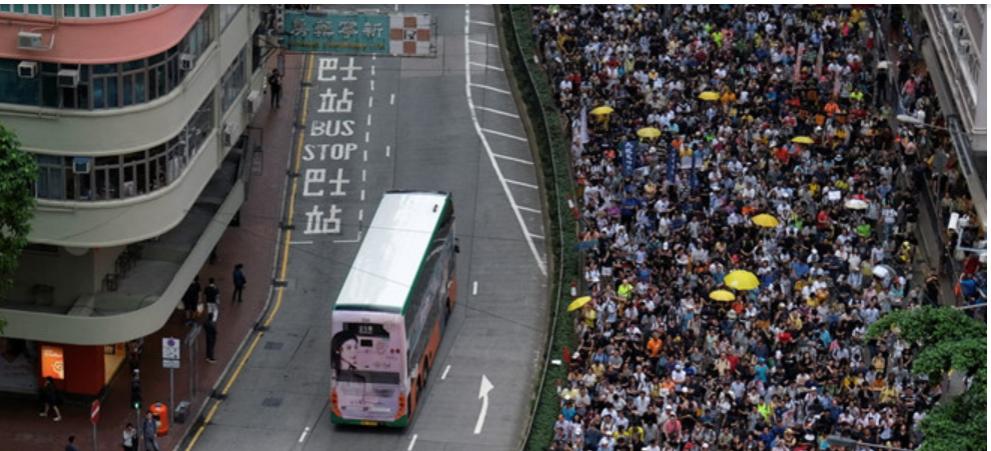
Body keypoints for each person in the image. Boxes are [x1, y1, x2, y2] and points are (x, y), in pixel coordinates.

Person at [204, 299, 219, 363]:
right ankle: (211, 358)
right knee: (211, 347)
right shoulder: (212, 324)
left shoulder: (206, 322)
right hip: (212, 337)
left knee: (208, 347)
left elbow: (204, 327)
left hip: (207, 336)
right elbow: (215, 331)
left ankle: (207, 357)